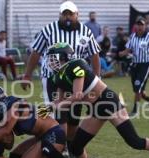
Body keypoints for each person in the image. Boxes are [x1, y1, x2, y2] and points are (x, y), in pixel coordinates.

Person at [39, 43, 149, 158]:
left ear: (64, 57)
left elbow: (77, 95)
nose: (51, 62)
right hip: (95, 109)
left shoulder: (76, 65)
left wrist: (52, 107)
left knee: (133, 140)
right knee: (76, 147)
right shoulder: (57, 77)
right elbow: (59, 102)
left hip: (108, 102)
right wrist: (45, 109)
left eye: (53, 58)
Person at [21, 1, 101, 145]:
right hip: (52, 77)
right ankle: (56, 146)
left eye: (71, 14)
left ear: (77, 15)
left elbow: (94, 55)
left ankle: (69, 147)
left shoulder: (85, 31)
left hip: (76, 79)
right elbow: (36, 53)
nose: (68, 17)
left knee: (73, 117)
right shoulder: (49, 30)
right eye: (65, 14)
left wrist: (97, 78)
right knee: (56, 114)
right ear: (60, 15)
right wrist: (27, 75)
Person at [119, 17, 149, 116]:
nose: (140, 26)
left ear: (145, 26)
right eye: (138, 24)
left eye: (142, 24)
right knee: (138, 89)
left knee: (138, 87)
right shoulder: (133, 36)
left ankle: (135, 110)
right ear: (135, 26)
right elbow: (128, 49)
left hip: (145, 65)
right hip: (135, 64)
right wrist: (121, 53)